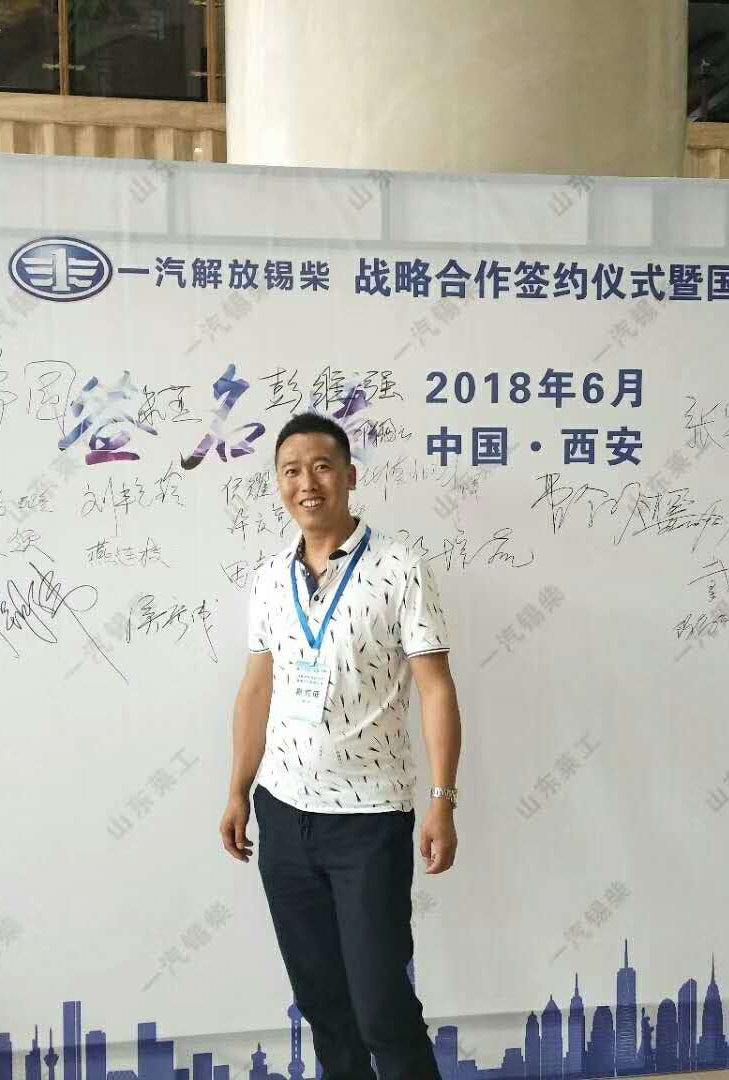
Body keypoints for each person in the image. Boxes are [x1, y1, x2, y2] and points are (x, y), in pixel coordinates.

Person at [219, 411, 464, 1080]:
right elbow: (256, 690)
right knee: (325, 1008)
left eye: (322, 467)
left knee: (383, 1009)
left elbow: (436, 689)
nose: (308, 482)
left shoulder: (400, 567)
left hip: (368, 821)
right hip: (283, 816)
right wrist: (238, 790)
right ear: (278, 484)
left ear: (350, 476)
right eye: (291, 471)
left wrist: (442, 799)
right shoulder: (270, 578)